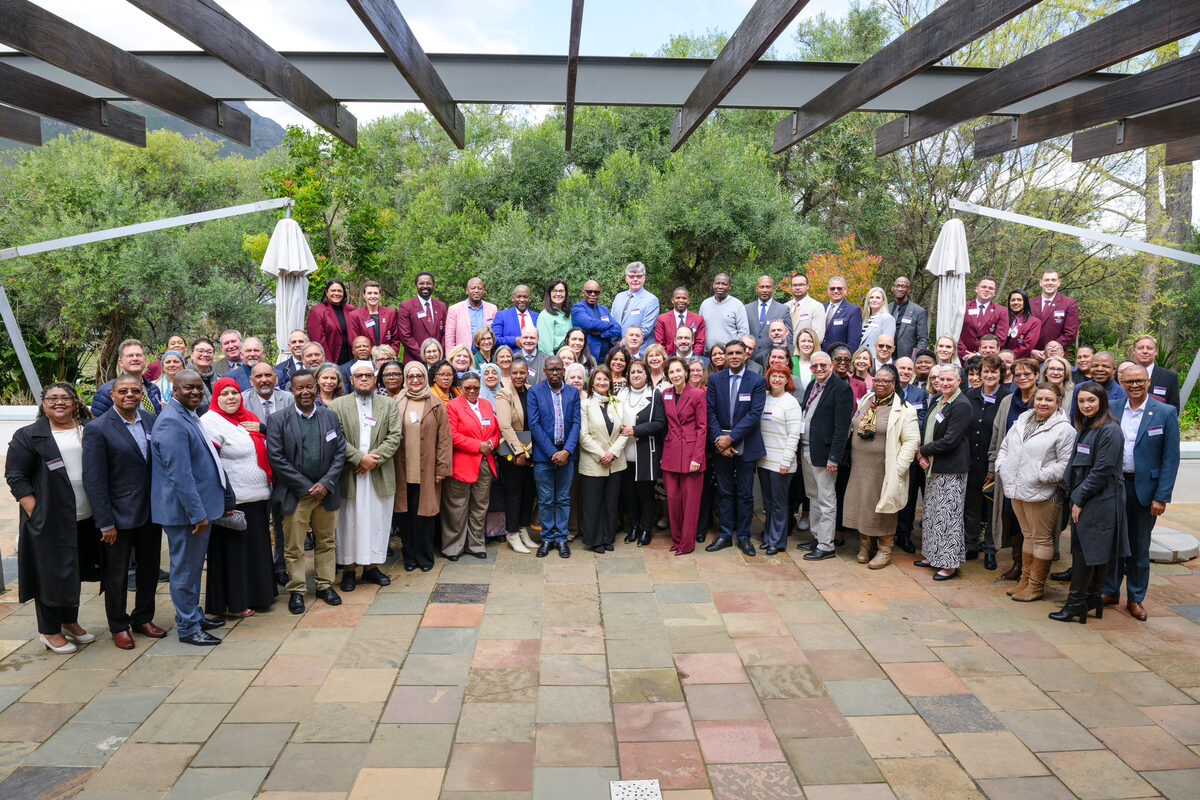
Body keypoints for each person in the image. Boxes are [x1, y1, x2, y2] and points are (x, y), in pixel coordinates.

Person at [7, 384, 101, 654]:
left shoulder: (88, 427)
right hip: (49, 518)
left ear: (74, 401)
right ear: (43, 403)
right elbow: (16, 476)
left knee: (73, 571)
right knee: (49, 574)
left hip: (85, 516)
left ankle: (69, 621)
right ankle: (49, 631)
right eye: (52, 398)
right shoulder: (29, 435)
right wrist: (35, 512)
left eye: (65, 398)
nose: (59, 402)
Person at [150, 370, 235, 645]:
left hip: (198, 510)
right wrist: (196, 513)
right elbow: (180, 475)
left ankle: (193, 615)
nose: (196, 392)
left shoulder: (188, 414)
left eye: (199, 388)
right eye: (189, 388)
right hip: (186, 514)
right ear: (174, 389)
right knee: (185, 571)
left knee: (193, 567)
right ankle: (188, 628)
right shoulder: (172, 423)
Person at [81, 376, 165, 649]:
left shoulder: (151, 421)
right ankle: (118, 625)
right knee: (116, 574)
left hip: (150, 513)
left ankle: (143, 617)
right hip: (117, 516)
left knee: (149, 569)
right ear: (113, 395)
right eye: (123, 391)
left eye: (135, 391)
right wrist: (105, 522)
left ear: (142, 394)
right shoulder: (98, 428)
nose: (130, 395)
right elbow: (94, 479)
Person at [1100, 364, 1180, 621]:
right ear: (1121, 382)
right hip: (1113, 485)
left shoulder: (1165, 412)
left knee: (1138, 546)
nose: (1134, 385)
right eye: (1129, 381)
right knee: (1112, 542)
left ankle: (1135, 598)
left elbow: (1171, 458)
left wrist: (1161, 496)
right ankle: (1110, 590)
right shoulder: (1111, 408)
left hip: (1144, 490)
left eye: (1139, 381)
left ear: (1148, 381)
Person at [265, 369, 346, 615]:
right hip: (295, 494)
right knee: (294, 546)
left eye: (309, 387)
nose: (305, 392)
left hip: (326, 492)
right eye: (299, 388)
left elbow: (340, 452)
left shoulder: (329, 417)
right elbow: (276, 458)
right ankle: (297, 591)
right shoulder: (279, 419)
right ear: (291, 391)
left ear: (316, 387)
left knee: (326, 542)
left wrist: (326, 483)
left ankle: (324, 586)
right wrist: (306, 486)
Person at [1051, 383, 1129, 623]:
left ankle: (1075, 604)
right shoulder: (1087, 425)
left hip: (1100, 499)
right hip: (1085, 495)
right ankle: (1092, 599)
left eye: (1091, 401)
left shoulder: (1110, 430)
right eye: (1082, 401)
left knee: (1087, 552)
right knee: (1085, 550)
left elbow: (1102, 470)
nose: (1086, 405)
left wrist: (1079, 498)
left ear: (1102, 402)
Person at [202, 378, 277, 617]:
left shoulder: (248, 418)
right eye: (224, 394)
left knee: (257, 549)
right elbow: (211, 465)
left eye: (234, 392)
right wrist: (225, 501)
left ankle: (260, 596)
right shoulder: (210, 421)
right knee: (234, 553)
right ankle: (234, 602)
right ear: (215, 397)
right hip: (234, 502)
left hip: (258, 498)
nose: (231, 397)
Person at [994, 382, 1075, 601]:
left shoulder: (1064, 429)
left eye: (1049, 399)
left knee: (1041, 539)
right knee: (1028, 536)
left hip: (1044, 493)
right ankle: (1025, 582)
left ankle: (1037, 586)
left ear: (1058, 402)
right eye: (1040, 398)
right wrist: (1002, 467)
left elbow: (1064, 464)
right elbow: (1004, 447)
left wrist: (1039, 475)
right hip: (1017, 489)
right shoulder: (1023, 419)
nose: (1043, 403)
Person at [331, 361, 402, 589]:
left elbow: (394, 437)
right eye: (359, 376)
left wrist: (371, 460)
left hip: (378, 473)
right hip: (349, 474)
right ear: (350, 380)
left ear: (374, 379)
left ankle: (371, 567)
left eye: (368, 375)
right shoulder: (336, 405)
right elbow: (336, 438)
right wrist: (358, 458)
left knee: (376, 520)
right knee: (348, 521)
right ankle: (349, 569)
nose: (364, 379)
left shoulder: (389, 405)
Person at [845, 364, 920, 569]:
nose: (879, 384)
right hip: (861, 467)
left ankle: (885, 550)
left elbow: (911, 441)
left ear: (894, 384)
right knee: (863, 504)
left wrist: (898, 469)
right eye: (877, 380)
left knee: (884, 509)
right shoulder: (869, 401)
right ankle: (864, 546)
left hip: (885, 469)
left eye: (885, 381)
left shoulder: (904, 409)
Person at [704, 340, 766, 557]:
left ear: (746, 355)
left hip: (746, 445)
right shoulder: (715, 379)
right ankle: (724, 535)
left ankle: (744, 537)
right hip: (720, 444)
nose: (734, 356)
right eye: (730, 353)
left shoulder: (757, 381)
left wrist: (730, 440)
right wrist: (719, 440)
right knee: (725, 492)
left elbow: (753, 415)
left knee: (745, 494)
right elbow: (709, 411)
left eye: (738, 352)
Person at [914, 364, 972, 581]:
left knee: (948, 517)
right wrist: (921, 456)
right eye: (940, 379)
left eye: (949, 379)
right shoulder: (937, 400)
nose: (944, 383)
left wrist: (922, 451)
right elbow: (926, 430)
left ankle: (948, 564)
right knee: (931, 515)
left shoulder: (961, 405)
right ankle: (932, 555)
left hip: (951, 468)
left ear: (958, 381)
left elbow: (950, 440)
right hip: (933, 467)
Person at [392, 361, 452, 571]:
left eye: (419, 376)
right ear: (406, 379)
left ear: (425, 378)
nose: (415, 380)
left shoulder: (435, 403)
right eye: (411, 377)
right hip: (402, 471)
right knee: (405, 517)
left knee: (424, 517)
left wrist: (441, 468)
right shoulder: (397, 401)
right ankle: (409, 557)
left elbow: (445, 438)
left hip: (427, 472)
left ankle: (425, 557)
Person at [795, 351, 853, 559]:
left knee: (827, 498)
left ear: (830, 366)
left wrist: (834, 457)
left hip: (826, 455)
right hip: (808, 449)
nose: (818, 369)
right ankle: (818, 536)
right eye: (814, 366)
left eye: (822, 365)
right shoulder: (812, 386)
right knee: (813, 496)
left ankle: (827, 545)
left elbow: (842, 427)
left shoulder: (841, 389)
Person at [988, 357, 1040, 580]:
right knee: (1013, 518)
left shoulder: (1045, 399)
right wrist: (993, 466)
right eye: (1018, 374)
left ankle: (1032, 570)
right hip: (1009, 472)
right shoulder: (1008, 401)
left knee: (1031, 521)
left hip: (1034, 473)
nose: (1022, 378)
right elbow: (996, 434)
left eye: (1027, 374)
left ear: (1037, 375)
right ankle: (1018, 564)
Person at [441, 371, 500, 561]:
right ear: (461, 388)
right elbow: (452, 434)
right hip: (462, 464)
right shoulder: (452, 406)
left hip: (485, 463)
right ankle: (453, 548)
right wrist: (478, 446)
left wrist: (491, 443)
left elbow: (496, 430)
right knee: (457, 508)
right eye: (468, 388)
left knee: (480, 507)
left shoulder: (486, 404)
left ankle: (475, 545)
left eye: (476, 387)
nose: (472, 391)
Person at [528, 357, 582, 557]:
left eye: (558, 369)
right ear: (544, 371)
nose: (555, 373)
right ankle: (547, 539)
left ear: (563, 370)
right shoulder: (535, 392)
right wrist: (553, 453)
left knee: (563, 498)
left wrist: (566, 451)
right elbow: (534, 425)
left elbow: (576, 423)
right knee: (545, 499)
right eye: (551, 370)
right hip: (544, 457)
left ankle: (561, 539)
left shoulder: (572, 393)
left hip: (567, 456)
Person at [963, 355, 1009, 569]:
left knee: (992, 510)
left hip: (994, 463)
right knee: (971, 506)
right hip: (970, 461)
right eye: (986, 372)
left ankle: (990, 550)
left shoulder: (1007, 398)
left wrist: (994, 465)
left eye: (994, 372)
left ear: (1001, 374)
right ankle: (971, 544)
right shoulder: (969, 395)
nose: (989, 376)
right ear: (979, 374)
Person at [658, 355, 706, 555]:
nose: (675, 374)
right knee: (673, 500)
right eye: (671, 372)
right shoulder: (665, 394)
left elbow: (702, 428)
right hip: (670, 453)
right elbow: (665, 426)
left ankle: (687, 544)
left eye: (678, 370)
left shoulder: (697, 395)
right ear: (667, 375)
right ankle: (676, 540)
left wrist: (697, 457)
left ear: (686, 372)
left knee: (691, 502)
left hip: (691, 454)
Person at [578, 366, 628, 553]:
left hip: (615, 463)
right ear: (592, 383)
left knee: (610, 502)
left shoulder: (617, 403)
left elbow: (625, 431)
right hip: (593, 462)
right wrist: (602, 455)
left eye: (605, 380)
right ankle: (595, 539)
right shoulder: (585, 405)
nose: (602, 383)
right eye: (598, 379)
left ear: (610, 383)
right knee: (593, 503)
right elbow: (583, 435)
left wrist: (612, 453)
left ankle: (608, 537)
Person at [618, 359, 666, 547]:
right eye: (632, 372)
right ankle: (634, 527)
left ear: (647, 374)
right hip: (624, 453)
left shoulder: (654, 395)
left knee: (646, 495)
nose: (636, 375)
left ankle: (646, 529)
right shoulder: (621, 393)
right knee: (629, 494)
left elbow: (660, 423)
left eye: (640, 372)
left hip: (646, 454)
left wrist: (635, 430)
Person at [756, 364, 802, 555]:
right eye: (773, 376)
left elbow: (794, 435)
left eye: (781, 377)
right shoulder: (764, 399)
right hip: (764, 460)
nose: (776, 380)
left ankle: (777, 541)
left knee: (779, 503)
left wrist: (786, 461)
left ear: (787, 380)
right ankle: (768, 537)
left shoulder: (791, 403)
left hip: (782, 462)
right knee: (768, 503)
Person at [495, 359, 538, 554]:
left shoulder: (532, 390)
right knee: (514, 493)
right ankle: (512, 533)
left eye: (522, 373)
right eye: (515, 373)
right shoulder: (504, 393)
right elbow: (504, 425)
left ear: (527, 373)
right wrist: (519, 451)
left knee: (529, 491)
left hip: (532, 449)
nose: (519, 376)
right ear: (510, 374)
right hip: (513, 451)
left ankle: (522, 528)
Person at [894, 356, 929, 554]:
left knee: (909, 495)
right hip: (890, 451)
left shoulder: (919, 393)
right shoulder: (888, 389)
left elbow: (921, 419)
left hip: (912, 451)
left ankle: (904, 535)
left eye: (909, 368)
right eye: (902, 368)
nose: (906, 372)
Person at [92, 339, 164, 417]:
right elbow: (97, 426)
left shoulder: (153, 389)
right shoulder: (106, 392)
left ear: (145, 360)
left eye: (139, 355)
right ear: (121, 362)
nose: (135, 359)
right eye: (130, 355)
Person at [395, 272, 447, 365]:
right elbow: (405, 336)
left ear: (433, 285)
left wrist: (438, 354)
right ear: (416, 285)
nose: (425, 286)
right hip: (415, 361)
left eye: (428, 283)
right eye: (422, 283)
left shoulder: (441, 306)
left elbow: (445, 333)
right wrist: (425, 356)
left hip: (437, 362)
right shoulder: (406, 306)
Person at [611, 262, 660, 356]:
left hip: (639, 352)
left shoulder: (651, 300)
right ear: (626, 278)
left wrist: (622, 343)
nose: (635, 279)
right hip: (617, 351)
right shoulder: (619, 297)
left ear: (644, 278)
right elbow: (612, 322)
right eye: (632, 276)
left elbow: (645, 329)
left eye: (639, 276)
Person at [1031, 270, 1079, 360]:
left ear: (1059, 283)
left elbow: (1070, 333)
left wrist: (1050, 349)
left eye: (1053, 280)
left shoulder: (1069, 303)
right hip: (1033, 357)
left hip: (1057, 358)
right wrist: (1031, 350)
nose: (1050, 283)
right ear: (1040, 282)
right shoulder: (1029, 303)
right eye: (1046, 280)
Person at [572, 280, 623, 363]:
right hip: (589, 359)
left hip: (607, 358)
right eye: (589, 292)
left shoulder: (604, 309)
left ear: (600, 294)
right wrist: (610, 325)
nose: (593, 294)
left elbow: (618, 329)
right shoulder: (578, 308)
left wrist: (602, 333)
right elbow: (590, 324)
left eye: (596, 292)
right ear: (583, 293)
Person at [307, 280, 356, 365]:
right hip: (331, 361)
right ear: (326, 292)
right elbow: (318, 343)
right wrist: (328, 364)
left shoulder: (350, 309)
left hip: (350, 360)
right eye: (333, 290)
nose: (336, 293)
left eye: (340, 291)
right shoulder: (316, 311)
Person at [446, 277, 498, 354]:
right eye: (473, 288)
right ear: (467, 291)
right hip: (463, 356)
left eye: (479, 288)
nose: (476, 291)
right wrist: (450, 360)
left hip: (486, 355)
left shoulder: (492, 309)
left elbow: (495, 335)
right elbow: (449, 339)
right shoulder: (454, 310)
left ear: (483, 291)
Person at [745, 275, 791, 360]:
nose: (765, 290)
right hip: (750, 357)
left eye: (768, 287)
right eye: (762, 287)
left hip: (773, 358)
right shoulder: (746, 309)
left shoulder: (783, 309)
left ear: (773, 289)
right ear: (756, 289)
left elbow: (789, 336)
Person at [958, 276, 1005, 359]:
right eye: (984, 287)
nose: (987, 290)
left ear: (994, 292)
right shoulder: (962, 306)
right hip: (962, 358)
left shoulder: (1001, 311)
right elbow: (955, 332)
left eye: (990, 288)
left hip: (987, 359)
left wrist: (979, 355)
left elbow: (1000, 339)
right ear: (977, 289)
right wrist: (964, 354)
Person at [1130, 334, 1181, 410]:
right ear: (1134, 351)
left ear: (1156, 351)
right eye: (1140, 348)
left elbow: (1174, 408)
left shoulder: (1170, 377)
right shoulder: (1125, 375)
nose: (1145, 351)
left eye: (1149, 348)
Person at [700, 273, 750, 349]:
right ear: (713, 285)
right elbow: (700, 329)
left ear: (729, 287)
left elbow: (744, 332)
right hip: (708, 354)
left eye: (724, 284)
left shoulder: (737, 305)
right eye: (717, 283)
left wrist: (736, 350)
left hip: (729, 354)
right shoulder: (705, 304)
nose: (720, 286)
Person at [348, 279, 400, 351]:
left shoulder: (391, 313)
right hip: (365, 358)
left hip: (386, 358)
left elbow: (395, 339)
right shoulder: (355, 315)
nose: (373, 296)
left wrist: (390, 357)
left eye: (375, 293)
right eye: (369, 293)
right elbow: (354, 341)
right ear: (364, 295)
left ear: (380, 295)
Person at [1070, 351, 1125, 417]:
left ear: (1114, 370)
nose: (1099, 369)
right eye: (1095, 366)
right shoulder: (1079, 388)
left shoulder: (1121, 393)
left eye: (1105, 366)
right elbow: (1074, 417)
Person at [655, 287, 706, 356]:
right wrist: (669, 359)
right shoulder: (662, 319)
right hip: (669, 360)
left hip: (692, 360)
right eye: (678, 298)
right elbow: (659, 343)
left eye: (684, 298)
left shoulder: (698, 319)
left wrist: (691, 358)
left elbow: (700, 342)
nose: (681, 300)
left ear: (688, 300)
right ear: (672, 300)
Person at [889, 275, 928, 359]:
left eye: (903, 286)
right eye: (897, 286)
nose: (900, 289)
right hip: (886, 358)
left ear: (908, 290)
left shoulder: (919, 311)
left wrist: (914, 360)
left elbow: (923, 340)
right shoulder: (886, 309)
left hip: (906, 360)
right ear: (892, 288)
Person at [492, 284, 540, 350]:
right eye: (519, 297)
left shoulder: (537, 317)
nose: (522, 300)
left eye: (525, 297)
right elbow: (494, 339)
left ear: (530, 299)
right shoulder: (502, 316)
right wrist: (513, 341)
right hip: (511, 358)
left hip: (533, 358)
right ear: (512, 298)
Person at [823, 275, 862, 353]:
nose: (836, 291)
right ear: (828, 290)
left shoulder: (853, 310)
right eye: (832, 288)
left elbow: (854, 341)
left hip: (840, 358)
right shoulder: (821, 307)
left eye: (839, 288)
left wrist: (848, 359)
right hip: (821, 356)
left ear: (845, 290)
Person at [785, 273, 826, 346]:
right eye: (794, 285)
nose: (797, 288)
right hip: (786, 352)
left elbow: (818, 336)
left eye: (801, 285)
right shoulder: (785, 306)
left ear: (807, 286)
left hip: (806, 352)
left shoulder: (817, 307)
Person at [1002, 289, 1041, 359]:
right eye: (1013, 300)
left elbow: (1027, 346)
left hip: (1019, 361)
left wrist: (1007, 357)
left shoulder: (1034, 322)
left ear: (1025, 302)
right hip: (999, 359)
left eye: (1019, 300)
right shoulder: (1003, 317)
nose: (1016, 302)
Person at [537, 279, 573, 355]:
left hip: (568, 355)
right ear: (549, 293)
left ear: (565, 293)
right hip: (554, 356)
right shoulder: (545, 316)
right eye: (554, 291)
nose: (558, 294)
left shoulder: (567, 314)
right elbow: (545, 347)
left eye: (561, 291)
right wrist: (554, 363)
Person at [859, 286, 896, 354]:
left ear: (883, 301)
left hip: (875, 359)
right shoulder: (864, 318)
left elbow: (886, 345)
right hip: (862, 358)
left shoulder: (887, 319)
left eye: (878, 298)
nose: (874, 300)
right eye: (871, 297)